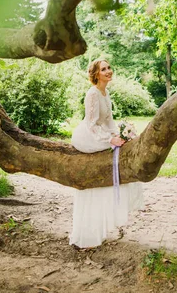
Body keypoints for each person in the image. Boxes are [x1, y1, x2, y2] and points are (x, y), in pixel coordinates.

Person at [70, 59, 143, 248]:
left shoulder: (106, 92)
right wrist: (109, 139)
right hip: (88, 135)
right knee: (113, 150)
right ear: (96, 74)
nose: (109, 71)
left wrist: (120, 133)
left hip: (101, 131)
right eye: (104, 69)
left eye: (109, 67)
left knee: (124, 147)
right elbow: (92, 124)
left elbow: (109, 120)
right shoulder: (92, 94)